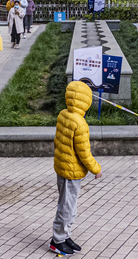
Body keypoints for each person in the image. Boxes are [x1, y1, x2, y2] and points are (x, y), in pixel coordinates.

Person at [50, 81, 102, 256]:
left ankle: (65, 236)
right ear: (85, 100)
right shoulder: (80, 123)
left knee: (67, 204)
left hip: (62, 167)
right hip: (71, 172)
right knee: (67, 206)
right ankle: (57, 241)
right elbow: (84, 152)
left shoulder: (63, 114)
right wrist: (96, 169)